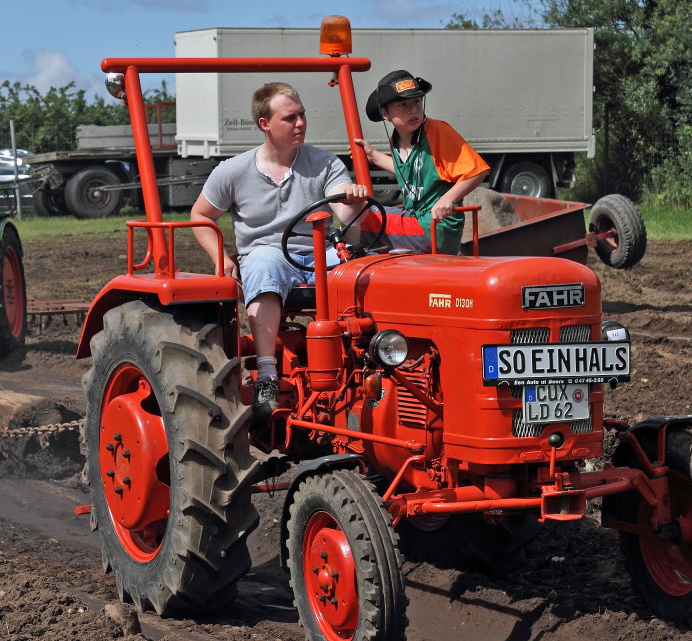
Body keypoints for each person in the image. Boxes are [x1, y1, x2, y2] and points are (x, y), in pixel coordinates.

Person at [190, 82, 367, 420]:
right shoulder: (233, 171)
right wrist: (220, 257)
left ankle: (369, 360)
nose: (300, 123)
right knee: (263, 263)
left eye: (302, 115)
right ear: (265, 124)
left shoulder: (324, 163)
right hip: (269, 254)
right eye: (290, 118)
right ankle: (267, 376)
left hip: (319, 254)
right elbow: (200, 215)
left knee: (365, 271)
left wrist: (353, 200)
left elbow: (344, 210)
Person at [354, 70, 489, 255]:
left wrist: (447, 199)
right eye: (403, 105)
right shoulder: (396, 141)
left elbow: (477, 171)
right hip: (416, 221)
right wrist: (373, 156)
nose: (413, 110)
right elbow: (409, 173)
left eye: (417, 102)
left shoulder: (437, 131)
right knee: (360, 218)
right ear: (385, 113)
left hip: (436, 226)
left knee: (362, 215)